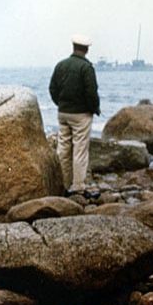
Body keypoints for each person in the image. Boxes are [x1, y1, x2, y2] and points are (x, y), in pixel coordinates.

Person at [49, 35, 101, 196]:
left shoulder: (60, 65)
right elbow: (91, 93)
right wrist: (94, 109)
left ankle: (64, 184)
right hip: (81, 115)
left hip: (63, 113)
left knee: (63, 148)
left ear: (73, 47)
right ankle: (78, 186)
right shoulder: (86, 68)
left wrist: (61, 104)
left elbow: (52, 88)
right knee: (80, 150)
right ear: (86, 49)